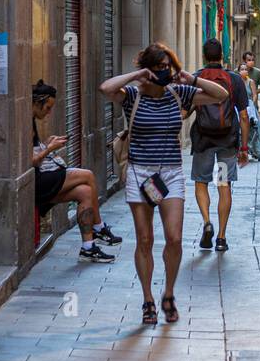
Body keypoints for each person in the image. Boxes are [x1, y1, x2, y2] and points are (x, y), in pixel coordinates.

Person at [100, 43, 228, 326]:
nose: (163, 72)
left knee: (174, 238)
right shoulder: (133, 96)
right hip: (139, 173)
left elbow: (221, 94)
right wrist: (136, 76)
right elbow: (106, 88)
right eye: (157, 67)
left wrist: (190, 78)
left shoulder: (178, 93)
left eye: (167, 66)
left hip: (170, 174)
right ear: (147, 69)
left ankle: (168, 293)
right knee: (144, 239)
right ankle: (148, 300)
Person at [31, 80, 120, 263]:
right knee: (87, 175)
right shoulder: (24, 124)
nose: (48, 112)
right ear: (37, 102)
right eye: (47, 107)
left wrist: (47, 144)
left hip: (42, 179)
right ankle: (99, 227)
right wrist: (49, 149)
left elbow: (33, 153)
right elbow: (30, 161)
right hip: (36, 182)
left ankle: (88, 247)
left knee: (85, 192)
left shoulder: (31, 122)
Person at [190, 38, 251, 254]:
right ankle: (222, 237)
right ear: (222, 56)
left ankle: (207, 222)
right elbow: (243, 116)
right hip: (227, 141)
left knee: (201, 183)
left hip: (203, 140)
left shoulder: (195, 78)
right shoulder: (234, 80)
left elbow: (185, 109)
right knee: (223, 186)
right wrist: (244, 147)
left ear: (205, 56)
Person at [240, 52, 260, 160]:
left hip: (251, 106)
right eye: (249, 59)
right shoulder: (237, 77)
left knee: (256, 129)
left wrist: (251, 100)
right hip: (241, 107)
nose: (251, 62)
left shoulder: (257, 73)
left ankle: (255, 150)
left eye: (252, 59)